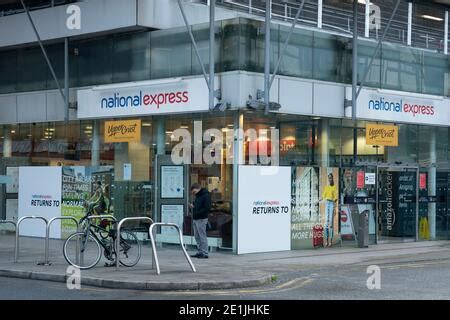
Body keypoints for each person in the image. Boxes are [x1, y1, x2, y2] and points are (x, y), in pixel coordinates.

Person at [189, 183, 211, 259]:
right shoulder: (198, 196)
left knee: (202, 236)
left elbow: (207, 208)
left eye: (194, 192)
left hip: (201, 218)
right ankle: (200, 251)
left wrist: (197, 213)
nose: (193, 194)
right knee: (197, 236)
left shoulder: (205, 196)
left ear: (198, 188)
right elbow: (197, 206)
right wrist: (193, 206)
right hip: (196, 218)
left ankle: (205, 253)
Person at [322, 173, 338, 247]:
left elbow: (335, 199)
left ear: (332, 178)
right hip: (327, 203)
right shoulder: (326, 187)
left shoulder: (334, 187)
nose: (330, 179)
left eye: (331, 178)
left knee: (331, 223)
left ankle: (330, 241)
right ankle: (326, 240)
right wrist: (317, 201)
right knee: (326, 223)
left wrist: (335, 208)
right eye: (329, 178)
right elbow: (323, 196)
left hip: (331, 203)